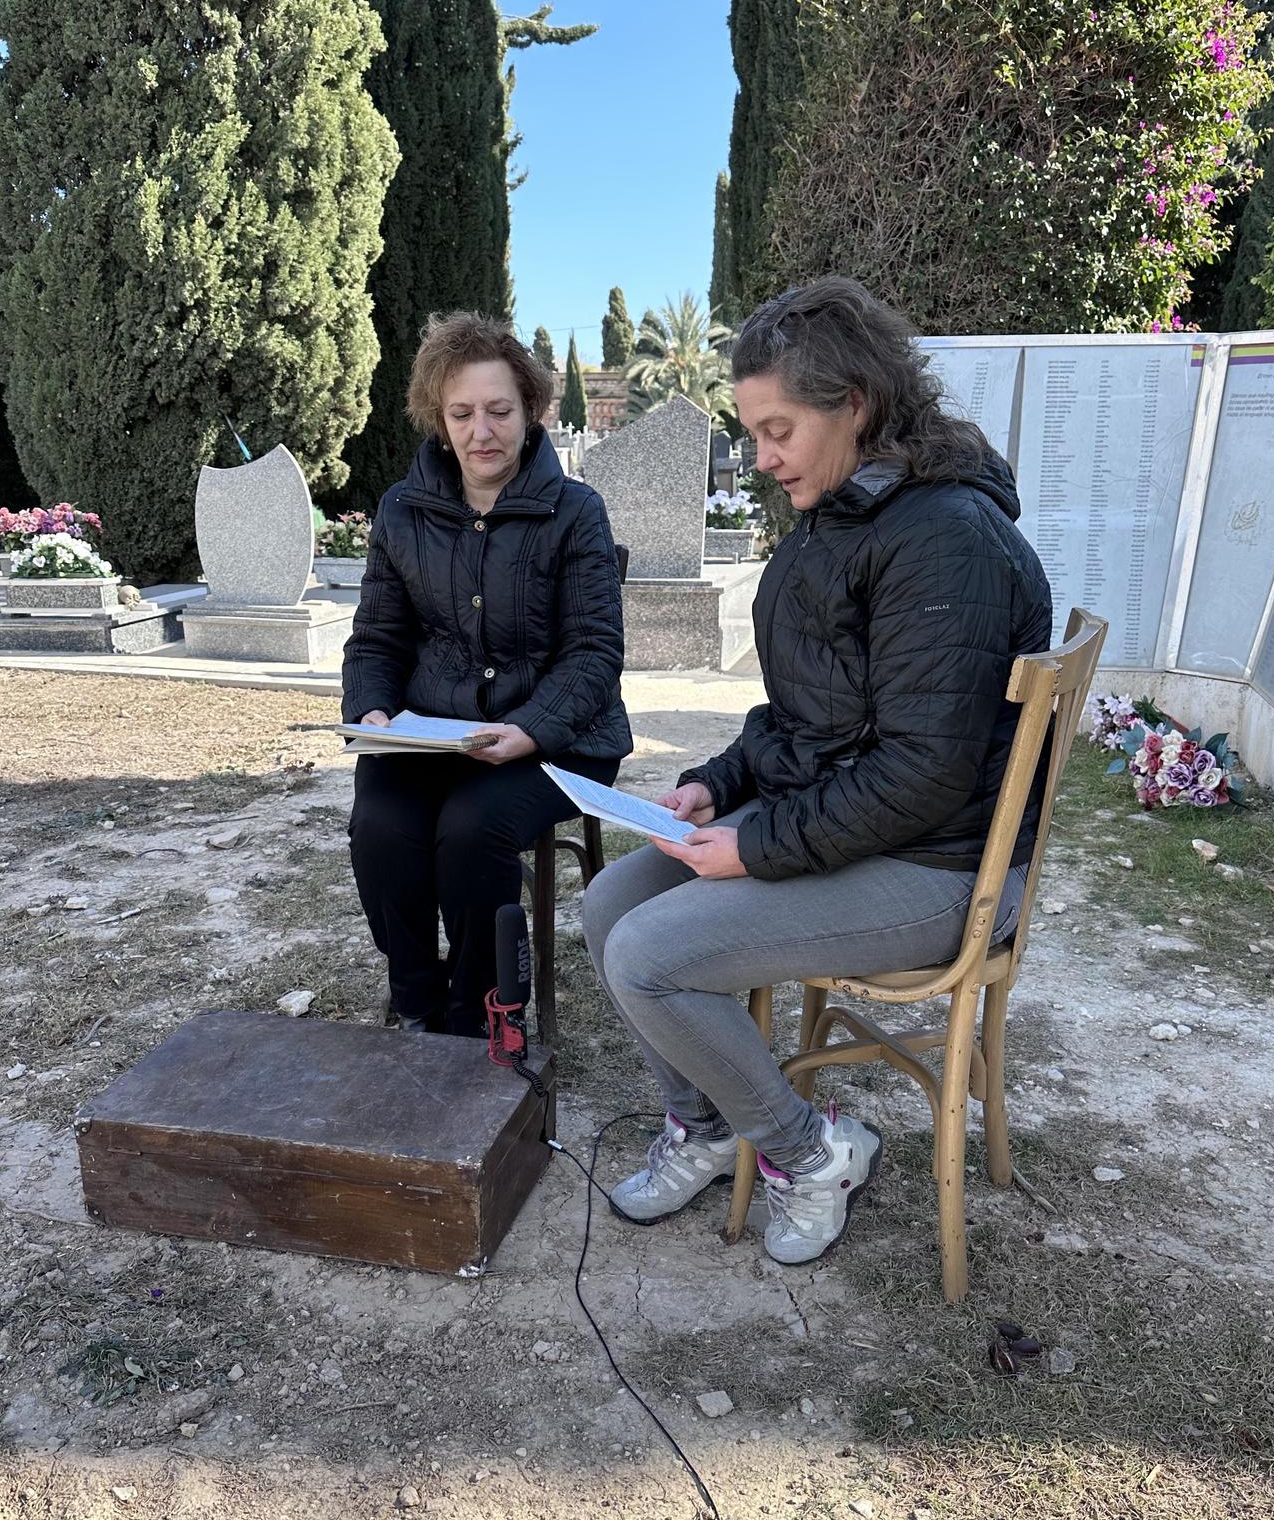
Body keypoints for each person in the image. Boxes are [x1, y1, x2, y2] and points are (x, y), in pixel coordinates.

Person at [583, 277, 1053, 1265]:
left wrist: (755, 844)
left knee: (648, 955)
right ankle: (711, 1128)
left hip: (938, 868)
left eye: (778, 429)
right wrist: (723, 778)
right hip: (858, 823)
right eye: (753, 431)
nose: (760, 457)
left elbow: (923, 773)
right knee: (608, 905)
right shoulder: (846, 516)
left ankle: (811, 1153)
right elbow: (806, 713)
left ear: (857, 406)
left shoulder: (946, 542)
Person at [344, 311, 632, 1038]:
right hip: (432, 735)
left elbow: (595, 652)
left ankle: (483, 1010)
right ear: (438, 420)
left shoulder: (576, 512)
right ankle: (415, 998)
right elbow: (377, 636)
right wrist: (372, 710)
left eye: (500, 411)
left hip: (557, 735)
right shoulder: (402, 511)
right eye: (462, 414)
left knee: (472, 830)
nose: (482, 432)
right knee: (381, 826)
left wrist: (530, 730)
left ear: (531, 410)